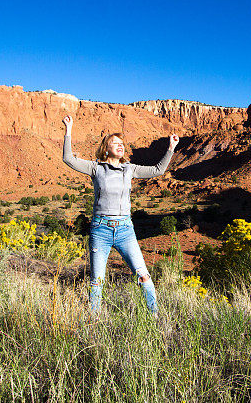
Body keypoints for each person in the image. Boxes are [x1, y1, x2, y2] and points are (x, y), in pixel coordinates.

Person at [61, 114, 179, 317]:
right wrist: (69, 129)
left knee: (143, 276)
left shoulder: (130, 169)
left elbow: (158, 170)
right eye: (115, 143)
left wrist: (171, 148)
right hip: (100, 229)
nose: (120, 146)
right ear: (106, 148)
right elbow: (68, 159)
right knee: (97, 281)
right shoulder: (95, 168)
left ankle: (155, 318)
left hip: (125, 230)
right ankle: (93, 321)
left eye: (122, 143)